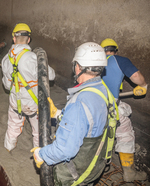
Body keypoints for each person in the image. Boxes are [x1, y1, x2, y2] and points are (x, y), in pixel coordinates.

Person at [31, 42, 118, 185]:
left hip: (75, 175)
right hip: (94, 167)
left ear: (78, 67)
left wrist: (41, 154)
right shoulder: (104, 91)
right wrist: (59, 114)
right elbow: (90, 124)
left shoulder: (79, 102)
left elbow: (65, 150)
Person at [1, 23, 55, 151]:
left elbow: (7, 86)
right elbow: (51, 76)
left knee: (13, 127)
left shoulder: (5, 59)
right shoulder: (34, 58)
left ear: (13, 38)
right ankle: (39, 159)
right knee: (38, 132)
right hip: (33, 105)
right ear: (29, 39)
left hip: (15, 103)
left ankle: (8, 148)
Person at [101, 38, 147, 182]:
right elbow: (136, 77)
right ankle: (129, 173)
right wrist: (144, 85)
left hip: (92, 101)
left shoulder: (94, 61)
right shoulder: (120, 60)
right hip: (109, 105)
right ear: (115, 50)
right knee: (125, 132)